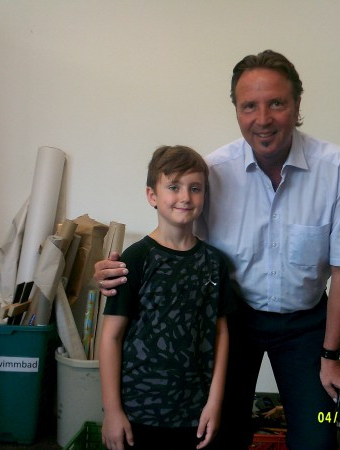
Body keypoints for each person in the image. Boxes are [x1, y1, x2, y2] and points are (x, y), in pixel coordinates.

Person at [95, 50, 340, 450]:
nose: (263, 119)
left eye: (276, 103)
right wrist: (115, 271)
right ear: (237, 110)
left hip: (305, 325)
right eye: (249, 106)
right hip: (232, 320)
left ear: (297, 105)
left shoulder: (338, 169)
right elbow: (175, 241)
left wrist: (330, 356)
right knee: (217, 436)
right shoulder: (212, 173)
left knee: (317, 438)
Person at [99, 145, 232, 450]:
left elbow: (221, 333)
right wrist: (112, 411)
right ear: (152, 196)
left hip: (194, 411)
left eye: (195, 188)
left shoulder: (215, 262)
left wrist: (215, 402)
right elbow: (110, 337)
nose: (185, 197)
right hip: (138, 410)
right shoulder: (135, 259)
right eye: (173, 187)